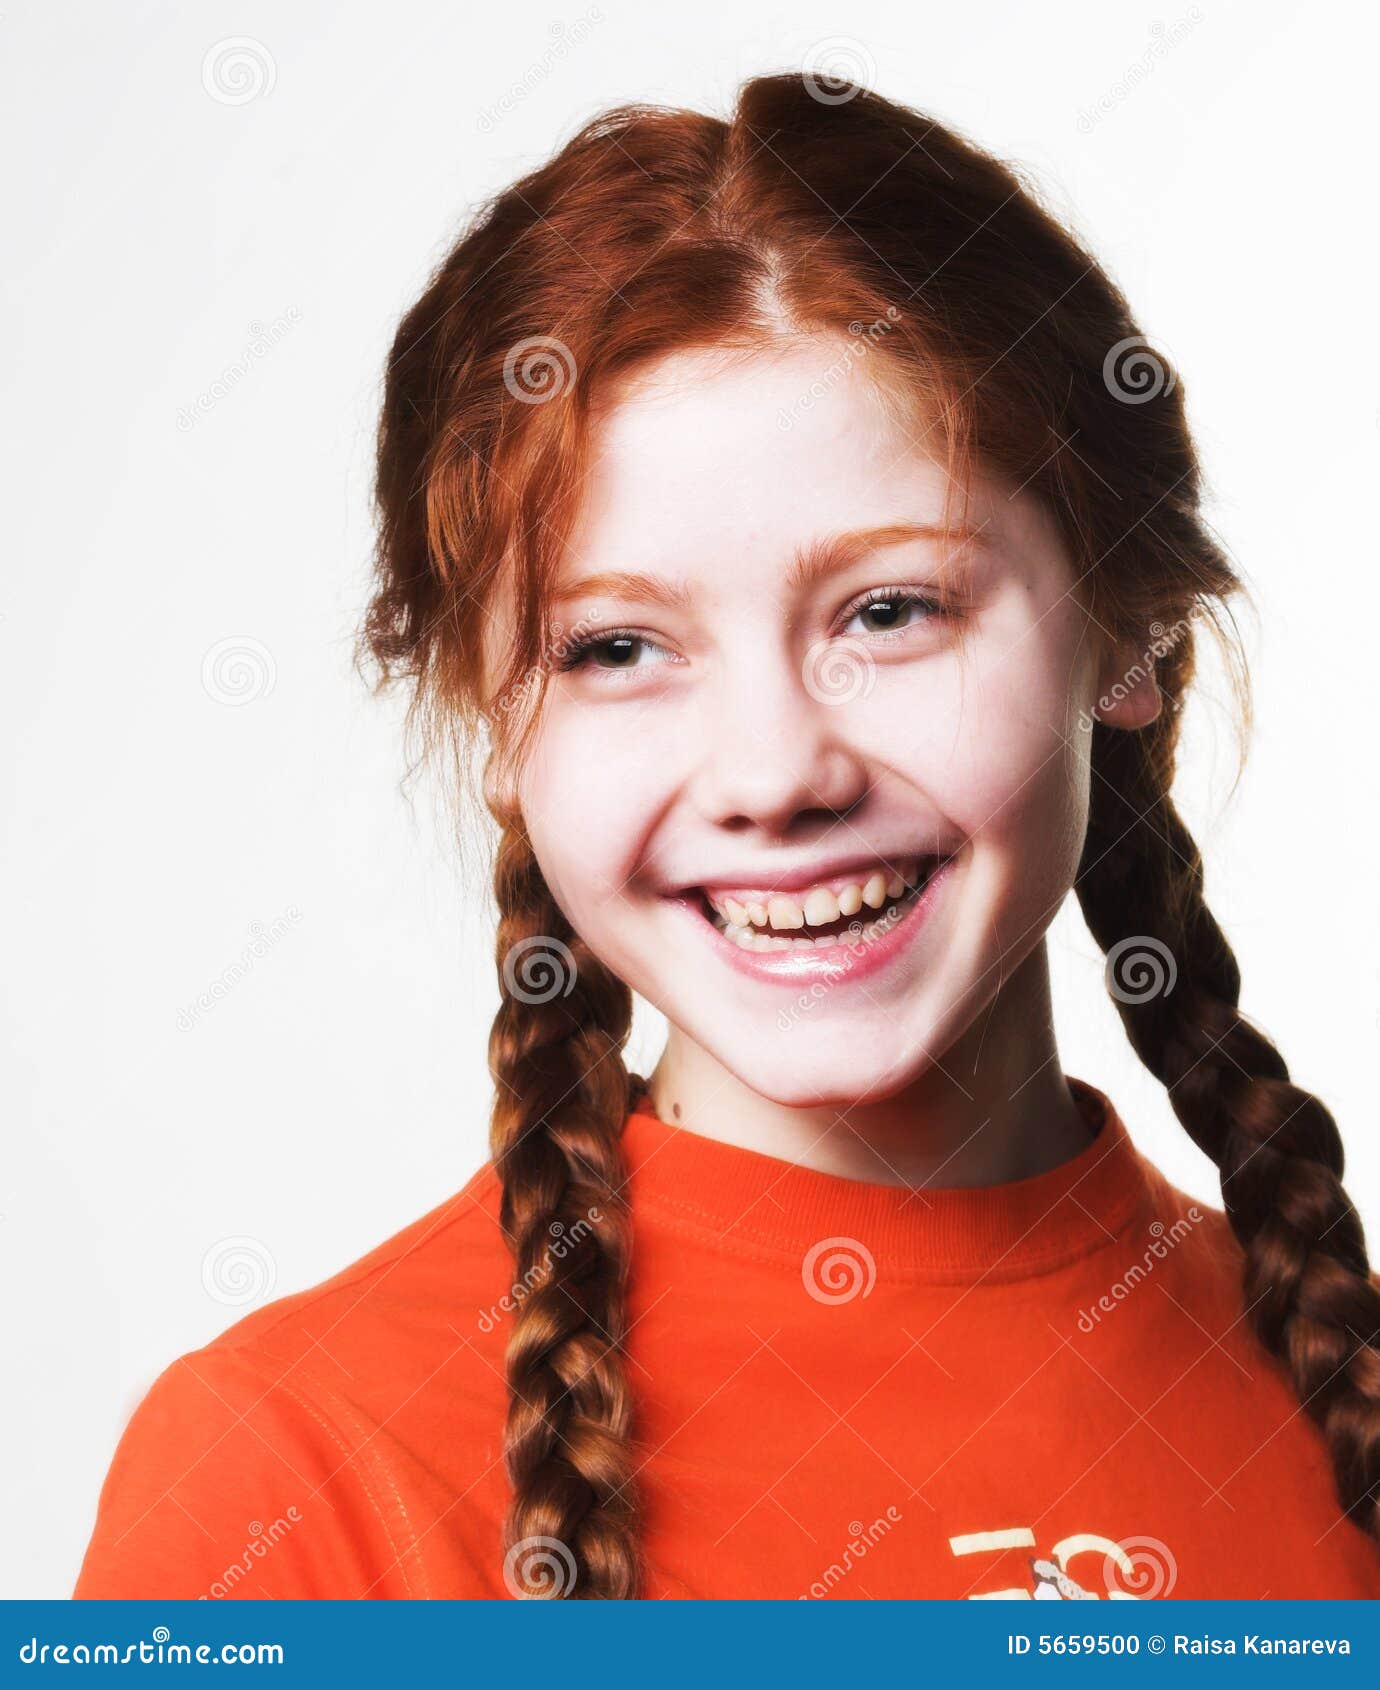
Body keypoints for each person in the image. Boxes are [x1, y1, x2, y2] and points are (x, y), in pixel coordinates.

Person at [74, 72, 1380, 1601]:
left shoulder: (1330, 1406)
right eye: (618, 647)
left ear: (1127, 635)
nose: (774, 772)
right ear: (497, 724)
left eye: (892, 611)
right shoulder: (291, 1480)